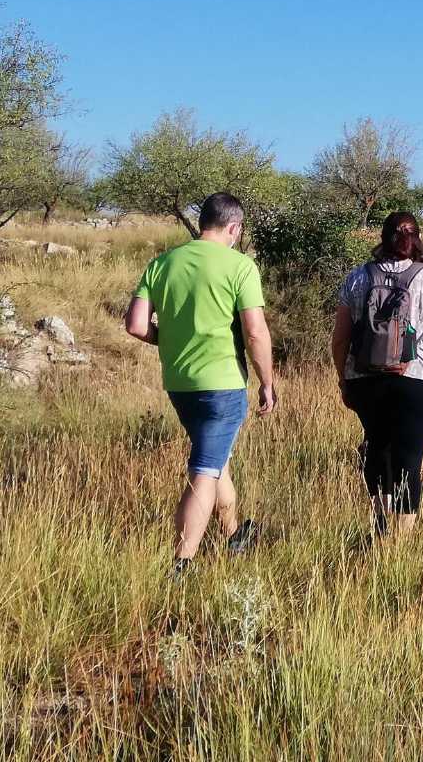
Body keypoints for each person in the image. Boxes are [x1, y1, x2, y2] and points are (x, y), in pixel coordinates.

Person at [124, 192, 276, 576]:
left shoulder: (161, 263)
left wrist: (170, 339)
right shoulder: (240, 266)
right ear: (234, 228)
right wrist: (267, 382)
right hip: (223, 384)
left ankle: (234, 534)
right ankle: (182, 563)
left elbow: (136, 326)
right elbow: (255, 333)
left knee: (217, 458)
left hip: (178, 382)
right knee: (205, 468)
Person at [330, 214, 423, 539]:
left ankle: (379, 518)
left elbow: (340, 339)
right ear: (416, 238)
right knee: (409, 457)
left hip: (365, 378)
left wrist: (344, 379)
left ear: (383, 237)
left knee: (377, 445)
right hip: (419, 380)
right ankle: (400, 542)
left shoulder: (357, 278)